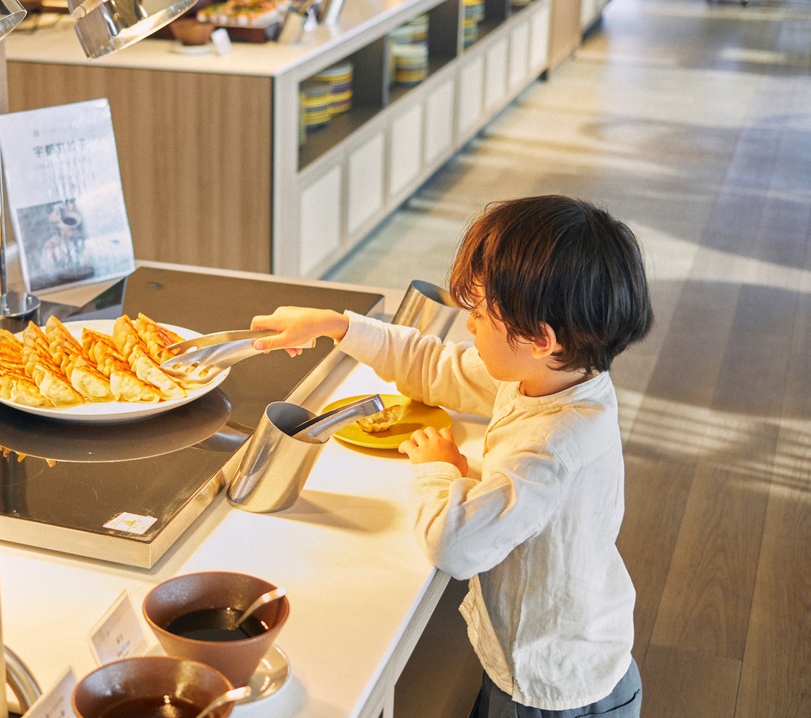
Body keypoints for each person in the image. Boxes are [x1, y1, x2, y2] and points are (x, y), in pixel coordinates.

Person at [250, 195, 653, 717]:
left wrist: (438, 469)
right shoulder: (557, 375)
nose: (469, 326)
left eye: (481, 314)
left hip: (549, 687)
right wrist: (339, 326)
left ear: (539, 337)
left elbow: (454, 544)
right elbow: (436, 366)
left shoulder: (551, 445)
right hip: (569, 654)